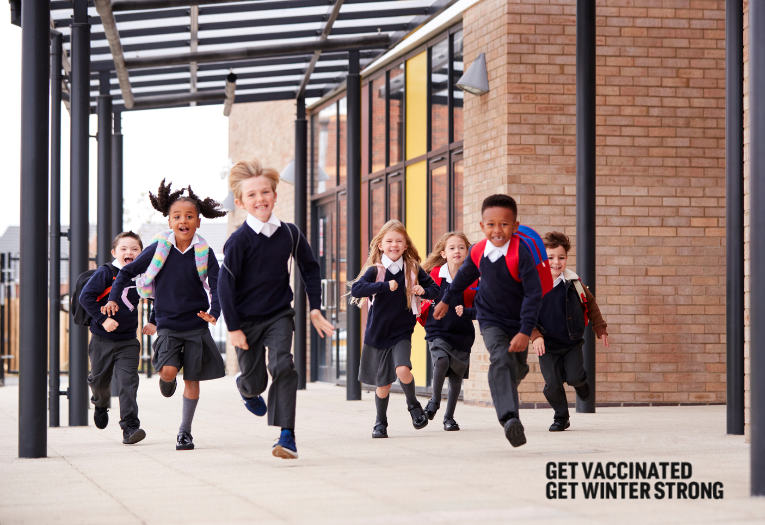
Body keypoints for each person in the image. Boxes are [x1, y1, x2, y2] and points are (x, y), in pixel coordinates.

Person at [219, 158, 334, 460]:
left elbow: (309, 269)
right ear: (241, 202)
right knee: (256, 380)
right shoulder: (237, 242)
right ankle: (245, 387)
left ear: (275, 195)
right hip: (244, 321)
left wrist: (314, 308)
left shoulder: (290, 233)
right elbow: (225, 286)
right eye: (253, 195)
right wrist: (232, 328)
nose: (261, 199)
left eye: (265, 192)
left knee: (284, 365)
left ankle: (286, 435)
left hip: (279, 315)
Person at [103, 180, 226, 451]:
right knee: (169, 372)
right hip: (168, 324)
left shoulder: (204, 252)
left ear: (198, 222)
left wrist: (214, 311)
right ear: (169, 221)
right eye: (177, 216)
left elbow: (217, 284)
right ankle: (166, 379)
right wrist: (113, 298)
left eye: (189, 216)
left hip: (195, 324)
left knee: (192, 379)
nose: (183, 220)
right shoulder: (160, 248)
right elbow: (126, 272)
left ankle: (185, 433)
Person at [433, 194, 543, 447]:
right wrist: (446, 299)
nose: (497, 229)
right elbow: (463, 277)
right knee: (500, 359)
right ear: (482, 226)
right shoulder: (479, 250)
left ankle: (506, 389)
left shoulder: (521, 253)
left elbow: (534, 294)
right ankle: (509, 419)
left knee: (518, 368)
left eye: (504, 224)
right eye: (491, 224)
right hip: (490, 318)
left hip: (518, 321)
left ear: (515, 226)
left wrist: (526, 330)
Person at [349, 220, 441, 438]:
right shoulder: (376, 270)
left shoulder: (413, 268)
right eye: (389, 241)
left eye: (399, 241)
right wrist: (383, 286)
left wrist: (422, 291)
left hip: (402, 332)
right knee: (384, 384)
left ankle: (413, 406)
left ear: (406, 245)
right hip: (378, 333)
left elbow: (435, 289)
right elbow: (356, 289)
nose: (394, 245)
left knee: (402, 369)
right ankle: (380, 423)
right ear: (380, 245)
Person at [80, 231, 154, 444]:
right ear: (114, 252)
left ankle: (130, 427)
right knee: (99, 382)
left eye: (134, 249)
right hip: (101, 339)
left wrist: (154, 320)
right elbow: (86, 296)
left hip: (128, 341)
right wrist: (103, 320)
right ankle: (100, 404)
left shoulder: (144, 275)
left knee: (127, 384)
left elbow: (159, 296)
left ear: (141, 253)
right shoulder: (107, 272)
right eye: (124, 249)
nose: (129, 252)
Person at [531, 231, 608, 431]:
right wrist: (535, 336)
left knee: (574, 376)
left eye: (561, 257)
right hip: (547, 346)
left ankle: (581, 383)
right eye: (550, 258)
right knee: (552, 385)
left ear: (566, 258)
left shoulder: (574, 284)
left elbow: (590, 304)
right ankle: (561, 417)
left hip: (571, 342)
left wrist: (600, 328)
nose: (556, 262)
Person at [421, 232, 477, 431]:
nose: (457, 251)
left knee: (456, 377)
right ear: (443, 253)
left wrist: (470, 313)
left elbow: (483, 306)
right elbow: (421, 296)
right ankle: (434, 401)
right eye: (452, 248)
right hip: (438, 329)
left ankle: (449, 418)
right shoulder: (434, 274)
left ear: (467, 252)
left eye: (461, 247)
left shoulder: (474, 277)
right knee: (442, 360)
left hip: (462, 332)